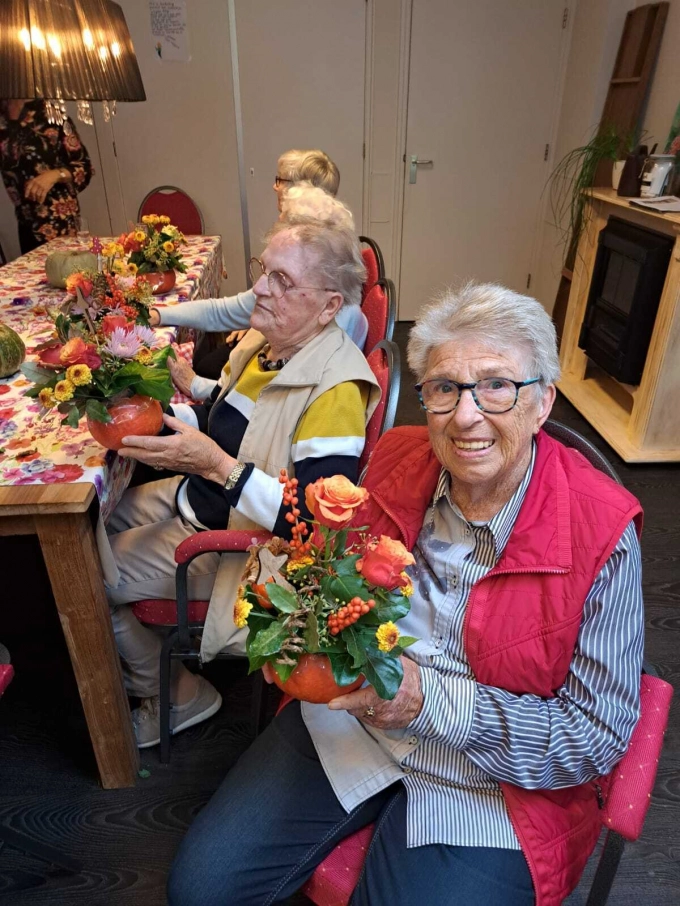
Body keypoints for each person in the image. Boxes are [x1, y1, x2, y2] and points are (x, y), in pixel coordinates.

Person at [167, 283, 644, 906]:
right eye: (445, 388)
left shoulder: (603, 530)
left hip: (491, 779)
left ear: (542, 402)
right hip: (356, 720)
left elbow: (594, 735)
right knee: (199, 891)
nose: (466, 415)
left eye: (497, 385)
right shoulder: (396, 456)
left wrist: (428, 704)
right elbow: (332, 561)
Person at [101, 218, 381, 749]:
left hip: (245, 549)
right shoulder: (269, 343)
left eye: (283, 280)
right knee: (95, 523)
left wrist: (212, 465)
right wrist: (179, 397)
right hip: (202, 500)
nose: (261, 289)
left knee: (88, 572)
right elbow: (243, 421)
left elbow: (315, 528)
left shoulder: (335, 393)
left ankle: (177, 694)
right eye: (263, 271)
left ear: (328, 307)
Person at [154, 184, 368, 401]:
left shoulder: (332, 345)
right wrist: (161, 313)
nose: (277, 225)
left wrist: (197, 385)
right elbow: (223, 312)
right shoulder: (292, 304)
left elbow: (270, 404)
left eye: (285, 221)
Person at [0, 100, 93, 254]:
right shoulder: (2, 121)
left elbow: (84, 167)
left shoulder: (50, 115)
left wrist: (54, 175)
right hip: (26, 224)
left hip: (60, 223)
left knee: (68, 274)